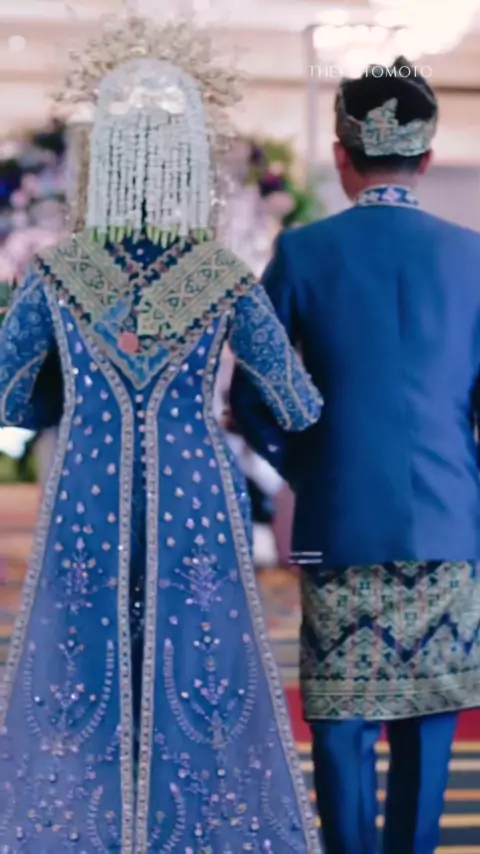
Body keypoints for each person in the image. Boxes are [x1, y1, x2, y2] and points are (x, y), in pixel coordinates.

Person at [0, 17, 323, 853]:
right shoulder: (220, 275)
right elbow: (295, 401)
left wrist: (67, 393)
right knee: (197, 661)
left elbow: (8, 394)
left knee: (85, 658)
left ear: (102, 158)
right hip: (193, 492)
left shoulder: (59, 272)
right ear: (188, 158)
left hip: (89, 489)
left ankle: (97, 829)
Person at [231, 57, 480, 854]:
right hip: (450, 527)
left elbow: (252, 397)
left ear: (342, 154)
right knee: (430, 726)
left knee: (341, 727)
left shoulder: (304, 252)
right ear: (428, 157)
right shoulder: (474, 256)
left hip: (338, 526)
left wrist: (311, 469)